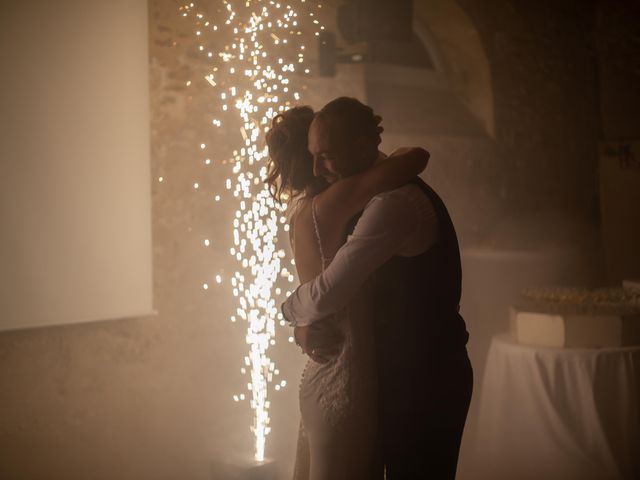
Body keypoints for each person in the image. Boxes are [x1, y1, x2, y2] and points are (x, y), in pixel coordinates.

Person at [281, 97, 473, 479]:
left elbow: (328, 292)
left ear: (364, 148)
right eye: (313, 156)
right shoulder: (370, 190)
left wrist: (290, 314)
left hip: (424, 380)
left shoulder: (393, 204)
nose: (318, 169)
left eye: (328, 156)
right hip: (388, 376)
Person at [265, 104, 429, 480]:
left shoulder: (301, 213)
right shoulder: (337, 200)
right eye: (317, 155)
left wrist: (299, 324)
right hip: (347, 372)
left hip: (319, 367)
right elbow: (413, 159)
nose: (322, 163)